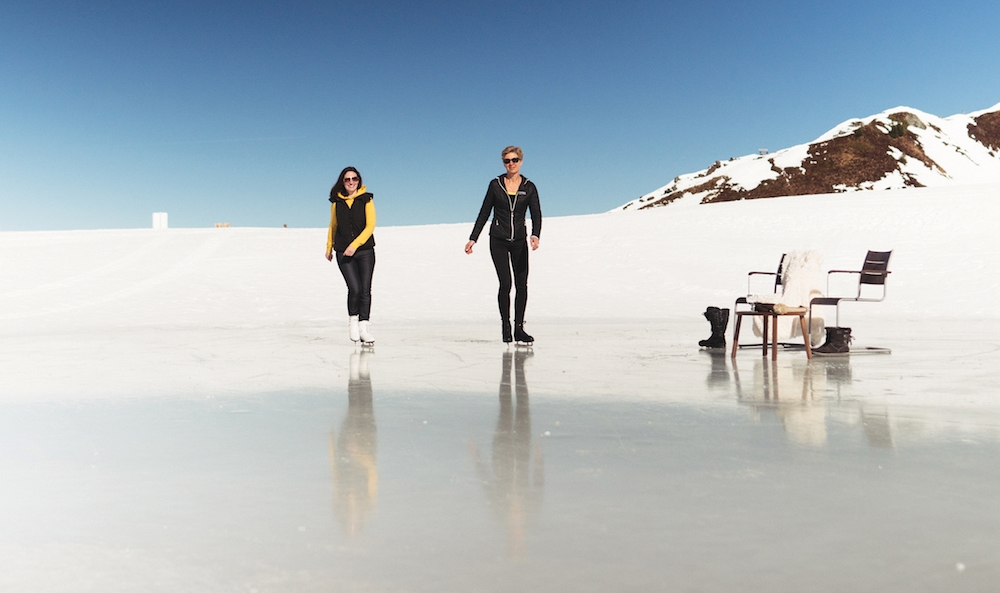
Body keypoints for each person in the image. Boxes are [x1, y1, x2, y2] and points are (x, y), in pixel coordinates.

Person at [465, 146, 542, 343]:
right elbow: (484, 212)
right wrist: (473, 238)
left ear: (521, 161)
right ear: (503, 163)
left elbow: (536, 213)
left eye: (515, 160)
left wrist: (535, 235)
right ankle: (505, 326)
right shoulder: (495, 184)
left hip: (519, 241)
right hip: (498, 240)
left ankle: (519, 328)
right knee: (506, 283)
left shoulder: (529, 186)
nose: (511, 164)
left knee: (522, 285)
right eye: (507, 161)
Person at [326, 167, 376, 344]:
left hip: (365, 251)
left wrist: (354, 246)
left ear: (359, 180)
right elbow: (333, 226)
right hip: (342, 252)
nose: (351, 182)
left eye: (354, 179)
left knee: (365, 289)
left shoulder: (366, 199)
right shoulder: (336, 202)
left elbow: (370, 226)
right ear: (343, 182)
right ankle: (353, 323)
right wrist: (329, 247)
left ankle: (364, 327)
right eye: (347, 179)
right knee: (354, 288)